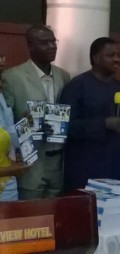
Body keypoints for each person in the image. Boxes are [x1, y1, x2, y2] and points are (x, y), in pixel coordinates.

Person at [60, 37, 120, 192]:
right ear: (96, 58)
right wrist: (103, 124)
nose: (117, 59)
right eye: (111, 55)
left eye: (118, 55)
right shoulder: (77, 86)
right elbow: (66, 127)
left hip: (115, 167)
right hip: (84, 169)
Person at [2, 25, 70, 199]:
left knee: (55, 216)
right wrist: (25, 124)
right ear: (30, 46)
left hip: (57, 159)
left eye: (53, 42)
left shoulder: (64, 76)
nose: (52, 47)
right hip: (29, 160)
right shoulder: (12, 77)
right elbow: (5, 121)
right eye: (45, 43)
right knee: (30, 219)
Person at [0, 55, 29, 201]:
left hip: (8, 189)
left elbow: (10, 141)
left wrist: (23, 125)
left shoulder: (1, 98)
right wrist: (10, 170)